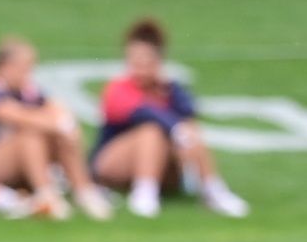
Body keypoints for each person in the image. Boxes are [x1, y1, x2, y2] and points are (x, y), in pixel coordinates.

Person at [91, 19, 248, 219]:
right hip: (112, 165)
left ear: (157, 63)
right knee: (152, 131)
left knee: (189, 128)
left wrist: (170, 93)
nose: (140, 70)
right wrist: (175, 128)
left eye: (146, 63)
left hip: (168, 169)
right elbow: (143, 112)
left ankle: (213, 190)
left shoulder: (169, 89)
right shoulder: (118, 88)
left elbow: (189, 111)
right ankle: (144, 192)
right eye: (135, 63)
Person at [0, 37, 111, 221]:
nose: (26, 74)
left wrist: (62, 125)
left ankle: (84, 192)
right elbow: (14, 115)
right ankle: (46, 193)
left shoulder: (28, 92)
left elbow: (59, 112)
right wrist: (58, 124)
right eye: (22, 68)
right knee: (31, 133)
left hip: (19, 165)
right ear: (4, 66)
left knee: (60, 133)